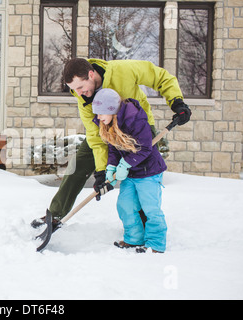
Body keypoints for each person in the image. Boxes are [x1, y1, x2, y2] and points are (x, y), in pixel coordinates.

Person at [31, 58, 191, 232]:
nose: (78, 93)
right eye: (73, 90)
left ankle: (146, 228)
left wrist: (176, 102)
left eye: (80, 87)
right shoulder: (83, 98)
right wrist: (101, 171)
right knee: (78, 165)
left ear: (91, 75)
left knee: (140, 175)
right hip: (106, 132)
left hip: (137, 130)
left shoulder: (123, 70)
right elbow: (95, 136)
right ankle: (55, 215)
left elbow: (160, 77)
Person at [92, 88, 167, 253]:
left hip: (149, 172)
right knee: (125, 205)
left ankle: (155, 243)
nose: (98, 117)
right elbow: (113, 150)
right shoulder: (109, 124)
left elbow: (145, 148)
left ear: (111, 110)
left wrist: (125, 165)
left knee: (150, 208)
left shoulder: (135, 120)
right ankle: (134, 239)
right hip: (131, 174)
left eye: (100, 113)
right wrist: (111, 167)